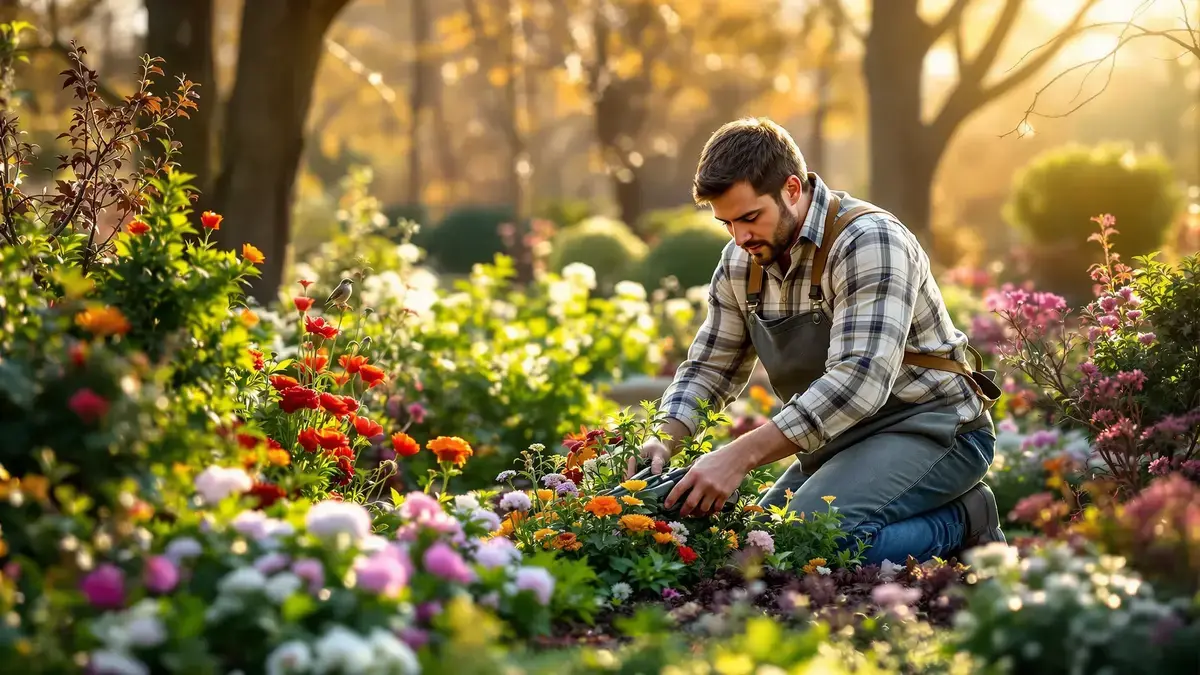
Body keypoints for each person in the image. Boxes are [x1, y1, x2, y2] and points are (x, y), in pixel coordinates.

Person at [626, 117, 1005, 565]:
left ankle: (963, 519)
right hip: (839, 440)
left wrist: (739, 457)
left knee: (804, 547)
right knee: (758, 551)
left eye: (750, 218)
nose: (740, 237)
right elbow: (711, 367)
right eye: (727, 223)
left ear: (791, 188)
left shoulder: (868, 241)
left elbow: (858, 381)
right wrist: (663, 437)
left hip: (933, 427)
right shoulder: (741, 261)